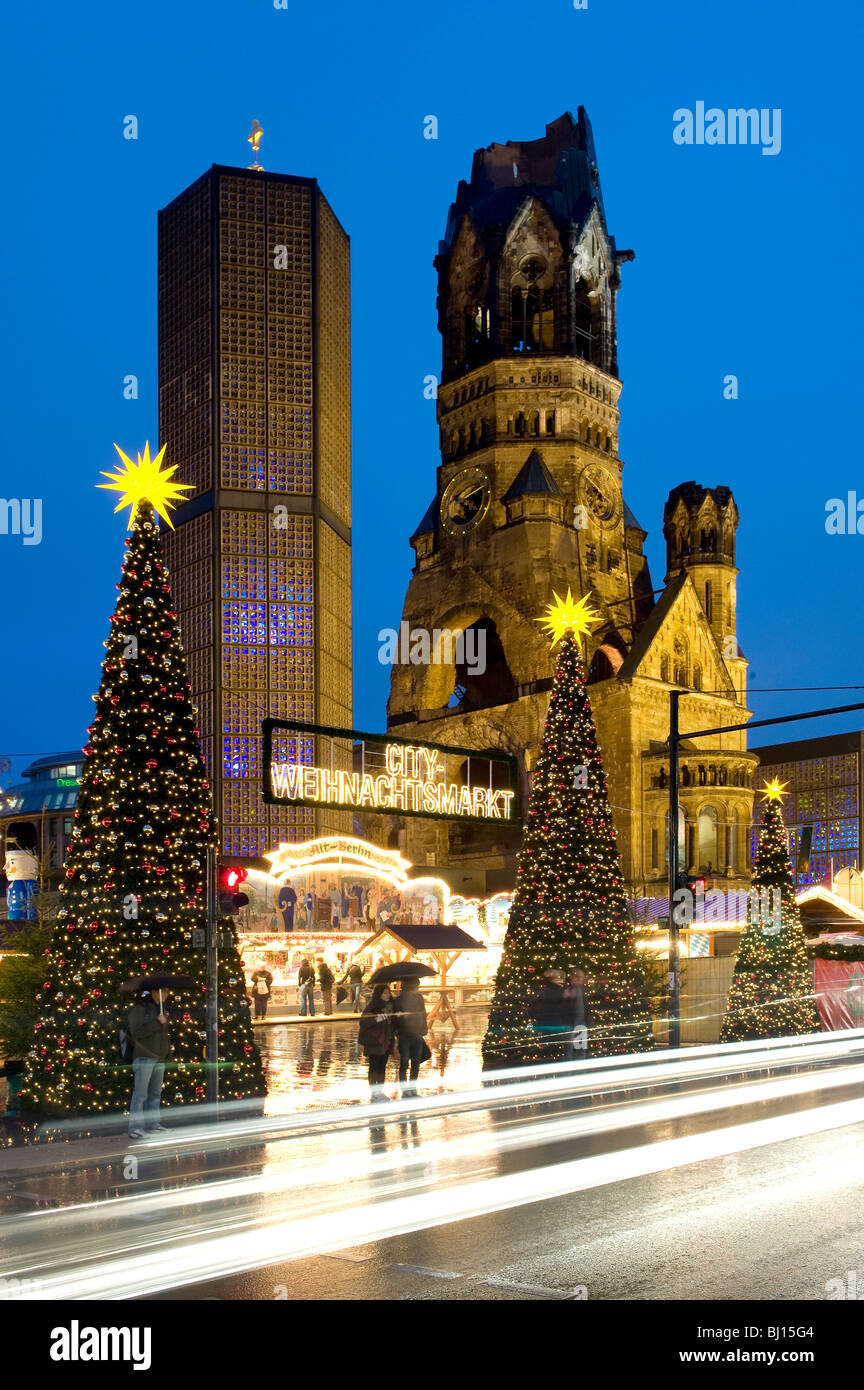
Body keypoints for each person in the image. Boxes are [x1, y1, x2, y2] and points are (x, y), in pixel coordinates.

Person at [128, 989, 171, 1139]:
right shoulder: (141, 1009)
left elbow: (163, 1036)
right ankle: (135, 1127)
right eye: (164, 991)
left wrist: (165, 1053)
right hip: (145, 1057)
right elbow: (136, 1032)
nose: (167, 994)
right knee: (141, 1093)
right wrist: (157, 1023)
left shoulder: (161, 1010)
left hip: (158, 1057)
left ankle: (153, 1124)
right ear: (155, 992)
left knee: (155, 1092)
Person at [358, 984, 395, 1095]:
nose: (387, 995)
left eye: (388, 992)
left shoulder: (390, 1007)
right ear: (379, 994)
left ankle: (380, 1090)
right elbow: (364, 1022)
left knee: (382, 1067)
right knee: (374, 1067)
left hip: (386, 1041)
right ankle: (374, 1091)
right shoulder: (372, 1007)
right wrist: (377, 1019)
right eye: (384, 993)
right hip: (374, 1042)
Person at [394, 977, 429, 1094]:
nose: (417, 989)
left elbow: (423, 1014)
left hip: (412, 1034)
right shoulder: (400, 1000)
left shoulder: (417, 998)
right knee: (408, 1063)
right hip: (407, 1034)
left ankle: (410, 1088)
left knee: (412, 1062)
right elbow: (397, 1018)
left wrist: (423, 1029)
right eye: (416, 986)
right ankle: (407, 1088)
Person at [527, 969, 571, 1061]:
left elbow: (531, 1010)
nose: (562, 980)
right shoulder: (561, 992)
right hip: (559, 1027)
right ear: (552, 979)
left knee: (547, 1055)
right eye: (559, 978)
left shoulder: (542, 991)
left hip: (544, 1027)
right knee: (561, 1056)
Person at [562, 968, 592, 1062]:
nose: (580, 980)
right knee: (569, 1050)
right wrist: (566, 998)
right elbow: (560, 1006)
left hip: (581, 1022)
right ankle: (568, 1072)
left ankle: (580, 1070)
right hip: (570, 1022)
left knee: (581, 1049)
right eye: (578, 977)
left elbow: (586, 1006)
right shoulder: (567, 989)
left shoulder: (584, 989)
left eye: (582, 977)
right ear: (572, 977)